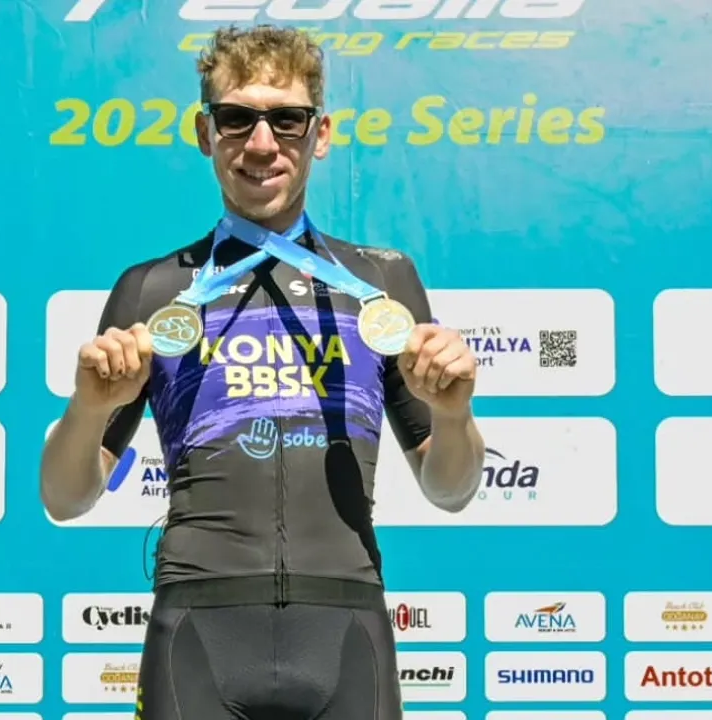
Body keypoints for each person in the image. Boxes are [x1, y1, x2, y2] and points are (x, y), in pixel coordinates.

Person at [41, 24, 486, 720]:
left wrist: (455, 416)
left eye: (286, 119)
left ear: (321, 133)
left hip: (345, 626)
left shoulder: (381, 283)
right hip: (198, 629)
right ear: (204, 132)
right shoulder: (154, 290)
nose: (260, 143)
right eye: (235, 118)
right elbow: (63, 499)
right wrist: (90, 408)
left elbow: (451, 490)